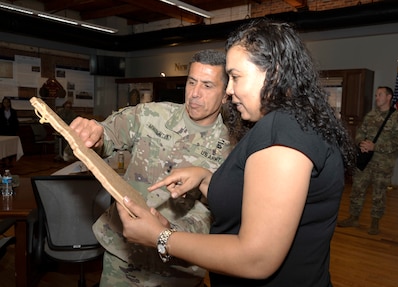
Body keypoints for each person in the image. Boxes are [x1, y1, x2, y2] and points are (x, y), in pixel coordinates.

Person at [115, 19, 356, 287]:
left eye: (236, 77)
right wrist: (206, 179)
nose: (228, 90)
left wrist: (161, 237)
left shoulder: (282, 131)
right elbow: (262, 200)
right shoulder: (294, 123)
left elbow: (256, 258)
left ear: (273, 74)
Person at [69, 49, 240, 286]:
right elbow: (109, 134)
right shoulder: (152, 115)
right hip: (124, 255)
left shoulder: (233, 149)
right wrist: (95, 134)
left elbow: (218, 214)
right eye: (192, 82)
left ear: (225, 95)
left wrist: (170, 231)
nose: (195, 94)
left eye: (208, 86)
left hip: (178, 266)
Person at [338, 86, 398, 235]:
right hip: (365, 161)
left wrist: (376, 146)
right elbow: (360, 132)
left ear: (388, 97)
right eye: (376, 95)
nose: (376, 98)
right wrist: (361, 143)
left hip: (383, 163)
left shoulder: (397, 118)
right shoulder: (370, 115)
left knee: (378, 193)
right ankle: (353, 217)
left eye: (380, 95)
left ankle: (375, 222)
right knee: (357, 189)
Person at [0, 97, 19, 167]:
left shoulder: (13, 111)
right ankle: (4, 161)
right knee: (3, 147)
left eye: (7, 102)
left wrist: (16, 130)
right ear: (3, 103)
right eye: (4, 102)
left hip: (11, 131)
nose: (6, 104)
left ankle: (10, 161)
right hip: (3, 131)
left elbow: (16, 121)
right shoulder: (0, 111)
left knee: (10, 147)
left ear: (9, 103)